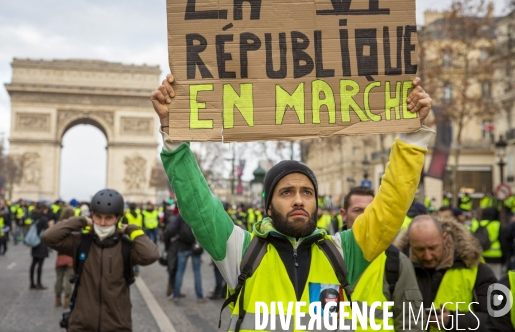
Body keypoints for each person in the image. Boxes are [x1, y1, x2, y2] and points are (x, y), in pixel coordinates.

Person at [151, 74, 433, 330]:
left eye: (307, 192)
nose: (299, 199)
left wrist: (413, 138)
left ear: (316, 203)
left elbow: (390, 206)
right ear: (269, 206)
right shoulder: (240, 251)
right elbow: (198, 204)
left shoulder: (344, 253)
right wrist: (173, 139)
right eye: (286, 192)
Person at [42, 189, 159, 331]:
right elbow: (48, 237)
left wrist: (131, 230)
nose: (102, 223)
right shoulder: (80, 242)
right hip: (81, 325)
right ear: (92, 216)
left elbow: (151, 255)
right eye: (98, 217)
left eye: (108, 218)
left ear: (118, 218)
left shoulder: (126, 247)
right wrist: (81, 220)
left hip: (116, 326)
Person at [340, 186, 424, 331]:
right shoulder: (324, 255)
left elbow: (410, 322)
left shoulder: (396, 262)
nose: (365, 217)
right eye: (358, 210)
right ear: (343, 215)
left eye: (371, 211)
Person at [394, 215, 497, 331]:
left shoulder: (476, 269)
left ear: (444, 238)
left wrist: (453, 320)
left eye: (433, 248)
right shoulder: (395, 269)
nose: (428, 256)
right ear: (409, 243)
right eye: (420, 249)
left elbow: (496, 320)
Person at [166, 212, 207, 303]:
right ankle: (200, 297)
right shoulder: (198, 216)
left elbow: (171, 230)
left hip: (182, 247)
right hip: (196, 247)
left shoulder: (181, 216)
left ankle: (175, 295)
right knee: (197, 272)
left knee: (180, 271)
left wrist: (178, 235)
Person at [54, 207, 75, 307]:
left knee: (59, 278)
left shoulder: (59, 225)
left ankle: (57, 299)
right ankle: (67, 300)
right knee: (69, 279)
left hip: (60, 255)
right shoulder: (75, 226)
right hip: (70, 256)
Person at [29, 202, 52, 289]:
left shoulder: (34, 217)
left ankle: (32, 283)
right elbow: (47, 231)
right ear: (44, 210)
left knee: (33, 263)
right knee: (40, 265)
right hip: (41, 243)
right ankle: (38, 283)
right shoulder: (44, 219)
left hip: (35, 242)